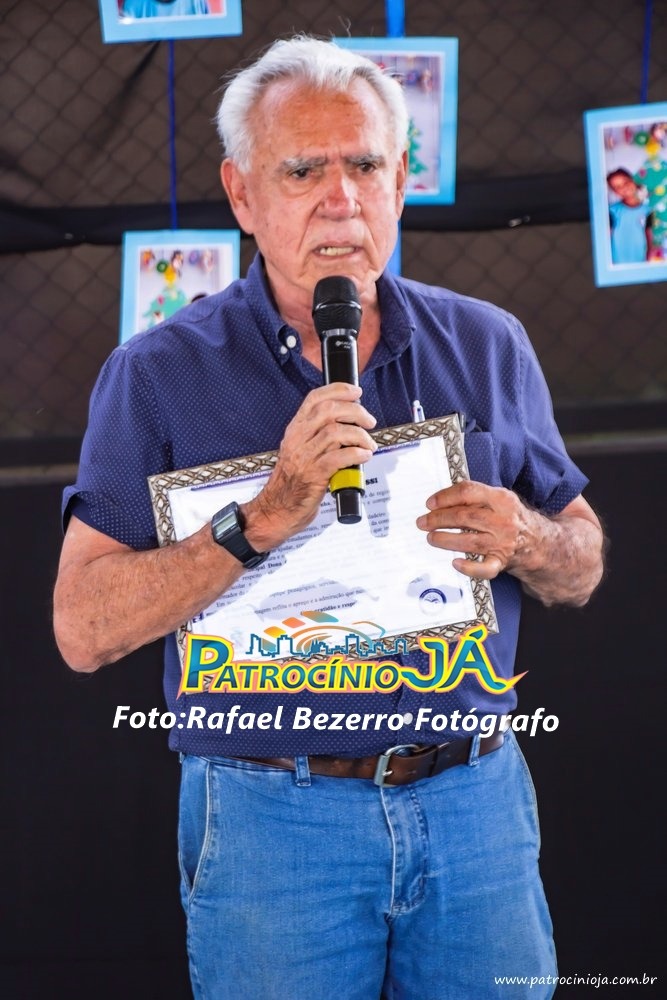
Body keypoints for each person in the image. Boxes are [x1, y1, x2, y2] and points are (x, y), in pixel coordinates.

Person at [53, 36, 604, 1000]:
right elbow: (82, 628)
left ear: (401, 181)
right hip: (272, 819)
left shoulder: (487, 342)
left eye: (364, 166)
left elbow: (583, 559)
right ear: (241, 195)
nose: (340, 198)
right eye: (301, 170)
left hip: (473, 802)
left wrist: (526, 538)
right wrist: (265, 514)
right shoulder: (157, 374)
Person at [606, 168, 654, 264]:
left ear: (633, 180)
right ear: (615, 192)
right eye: (617, 187)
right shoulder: (612, 211)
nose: (624, 188)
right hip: (617, 261)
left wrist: (649, 254)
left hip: (640, 259)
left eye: (626, 182)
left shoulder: (647, 209)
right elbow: (607, 237)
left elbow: (648, 233)